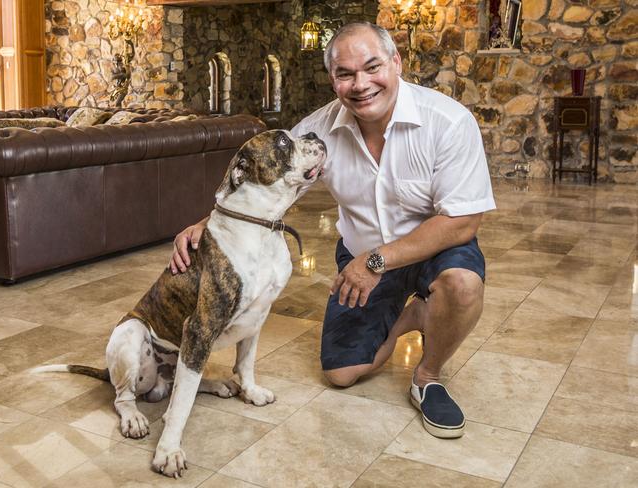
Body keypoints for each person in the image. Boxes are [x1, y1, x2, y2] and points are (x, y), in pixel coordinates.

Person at [169, 22, 495, 438]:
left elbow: (463, 221)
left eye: (372, 67)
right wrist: (205, 225)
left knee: (462, 285)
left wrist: (375, 263)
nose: (361, 84)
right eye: (345, 74)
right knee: (341, 373)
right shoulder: (319, 130)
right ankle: (414, 314)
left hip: (433, 251)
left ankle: (427, 376)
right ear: (333, 80)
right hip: (363, 253)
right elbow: (270, 182)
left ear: (396, 62)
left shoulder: (448, 122)